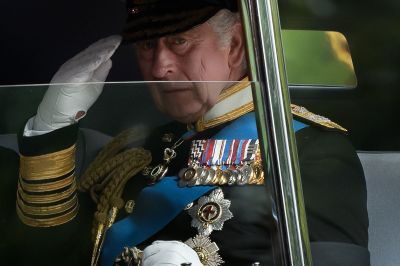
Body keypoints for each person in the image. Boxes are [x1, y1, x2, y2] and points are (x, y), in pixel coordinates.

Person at [0, 0, 369, 265]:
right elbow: (45, 254)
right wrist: (51, 129)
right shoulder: (134, 150)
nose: (160, 68)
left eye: (179, 41)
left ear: (236, 45)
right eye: (148, 46)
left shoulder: (303, 146)